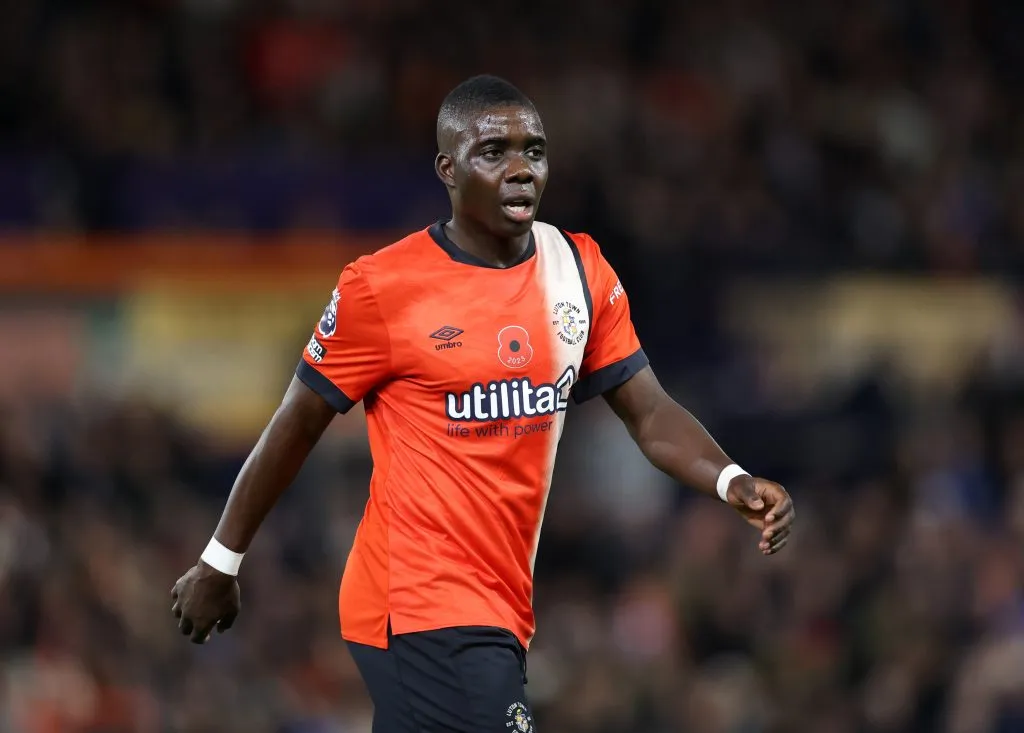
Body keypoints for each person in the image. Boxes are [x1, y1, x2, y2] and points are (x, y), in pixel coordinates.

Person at [171, 74, 795, 732]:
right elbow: (296, 422)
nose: (521, 168)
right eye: (494, 151)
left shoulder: (578, 272)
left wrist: (731, 478)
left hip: (500, 606)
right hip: (415, 602)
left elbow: (649, 411)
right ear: (447, 168)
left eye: (535, 150)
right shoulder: (383, 287)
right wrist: (221, 560)